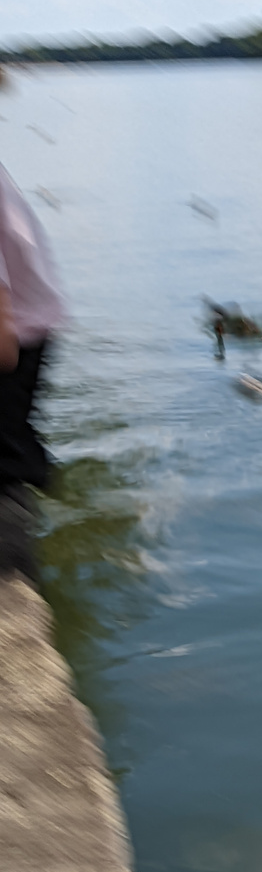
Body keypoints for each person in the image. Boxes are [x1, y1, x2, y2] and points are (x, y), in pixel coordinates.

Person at [0, 161, 66, 580]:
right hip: (26, 329)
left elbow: (3, 350)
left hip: (16, 345)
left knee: (3, 472)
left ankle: (13, 584)